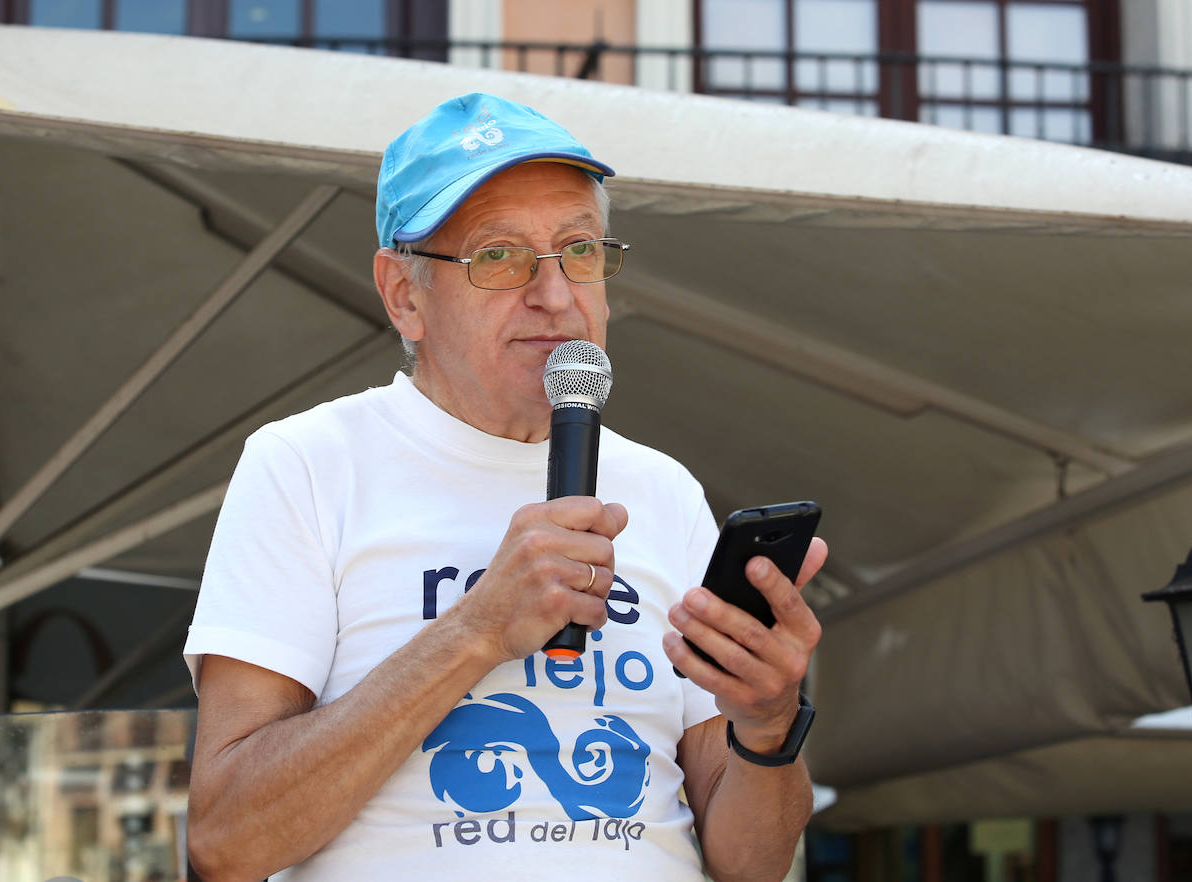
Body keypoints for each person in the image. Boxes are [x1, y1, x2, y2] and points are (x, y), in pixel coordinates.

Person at [183, 92, 827, 882]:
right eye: (498, 255)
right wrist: (476, 630)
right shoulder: (309, 465)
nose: (555, 296)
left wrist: (767, 726)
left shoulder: (663, 491)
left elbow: (749, 867)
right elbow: (226, 841)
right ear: (403, 295)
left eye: (580, 252)